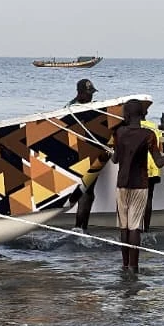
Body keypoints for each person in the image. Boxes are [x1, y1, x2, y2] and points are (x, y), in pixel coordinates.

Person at [111, 99, 164, 273]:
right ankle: (134, 267)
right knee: (135, 228)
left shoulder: (119, 132)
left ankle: (125, 265)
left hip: (121, 184)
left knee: (124, 227)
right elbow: (159, 162)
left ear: (126, 115)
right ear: (142, 115)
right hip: (140, 184)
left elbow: (115, 159)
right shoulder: (148, 135)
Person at [67, 79, 100, 231]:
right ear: (80, 92)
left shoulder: (90, 108)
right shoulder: (71, 109)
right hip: (80, 156)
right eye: (88, 93)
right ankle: (80, 227)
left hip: (90, 154)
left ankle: (80, 227)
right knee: (86, 192)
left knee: (87, 192)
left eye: (92, 93)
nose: (91, 97)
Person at [140, 99, 164, 231]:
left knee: (135, 199)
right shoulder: (153, 126)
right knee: (148, 198)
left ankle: (134, 228)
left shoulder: (128, 128)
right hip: (153, 166)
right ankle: (146, 228)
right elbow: (159, 146)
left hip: (138, 167)